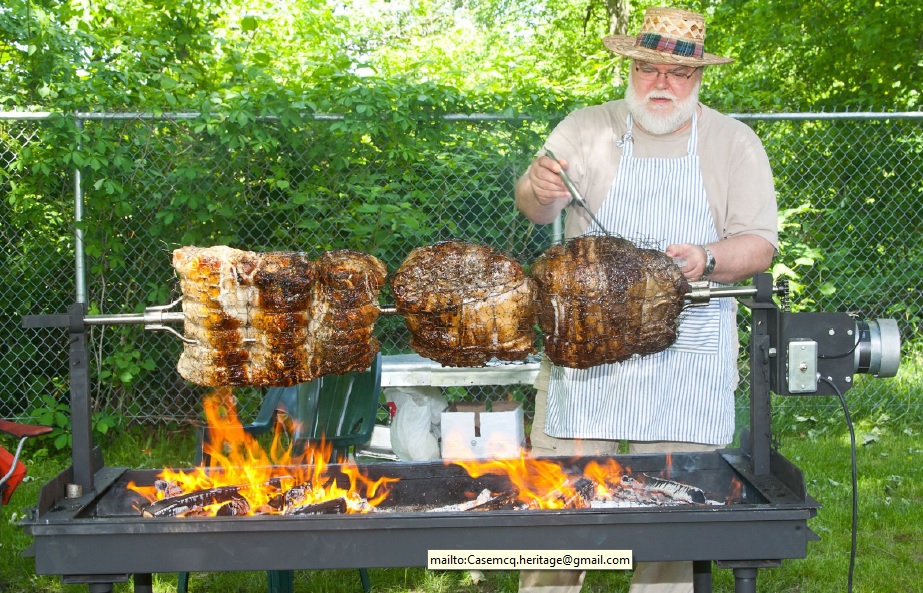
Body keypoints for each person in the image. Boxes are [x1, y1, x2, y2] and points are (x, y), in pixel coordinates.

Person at [514, 6, 777, 593]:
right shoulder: (585, 127)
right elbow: (535, 207)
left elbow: (759, 244)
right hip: (587, 354)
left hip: (687, 349)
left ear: (699, 79)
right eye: (650, 69)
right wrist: (538, 185)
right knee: (559, 509)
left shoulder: (734, 143)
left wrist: (707, 258)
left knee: (674, 516)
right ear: (630, 68)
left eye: (678, 74)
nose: (663, 83)